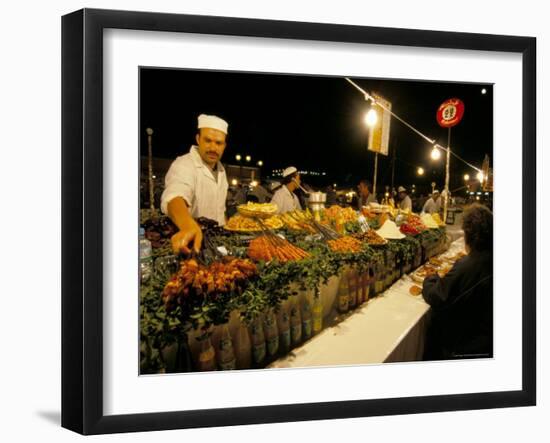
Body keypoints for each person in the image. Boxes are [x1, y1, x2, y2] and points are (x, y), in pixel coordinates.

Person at [422, 203, 493, 360]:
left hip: (466, 346)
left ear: (469, 235)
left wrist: (430, 278)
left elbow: (437, 296)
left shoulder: (469, 264)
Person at [160, 114, 229, 254]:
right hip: (192, 245)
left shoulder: (221, 170)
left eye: (218, 143)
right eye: (208, 140)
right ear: (198, 139)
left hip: (218, 243)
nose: (213, 148)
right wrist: (187, 226)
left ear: (224, 146)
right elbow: (175, 196)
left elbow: (220, 209)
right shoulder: (184, 164)